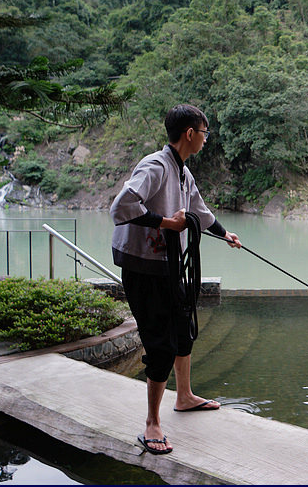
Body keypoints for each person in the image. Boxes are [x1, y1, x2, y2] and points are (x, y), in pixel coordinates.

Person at [110, 104, 241, 455]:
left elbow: (198, 210)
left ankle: (183, 396)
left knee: (183, 330)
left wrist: (225, 233)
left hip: (167, 267)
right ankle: (152, 422)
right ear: (189, 134)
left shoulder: (183, 172)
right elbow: (120, 208)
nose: (205, 139)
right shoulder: (155, 166)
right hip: (143, 269)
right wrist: (167, 223)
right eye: (204, 133)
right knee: (161, 343)